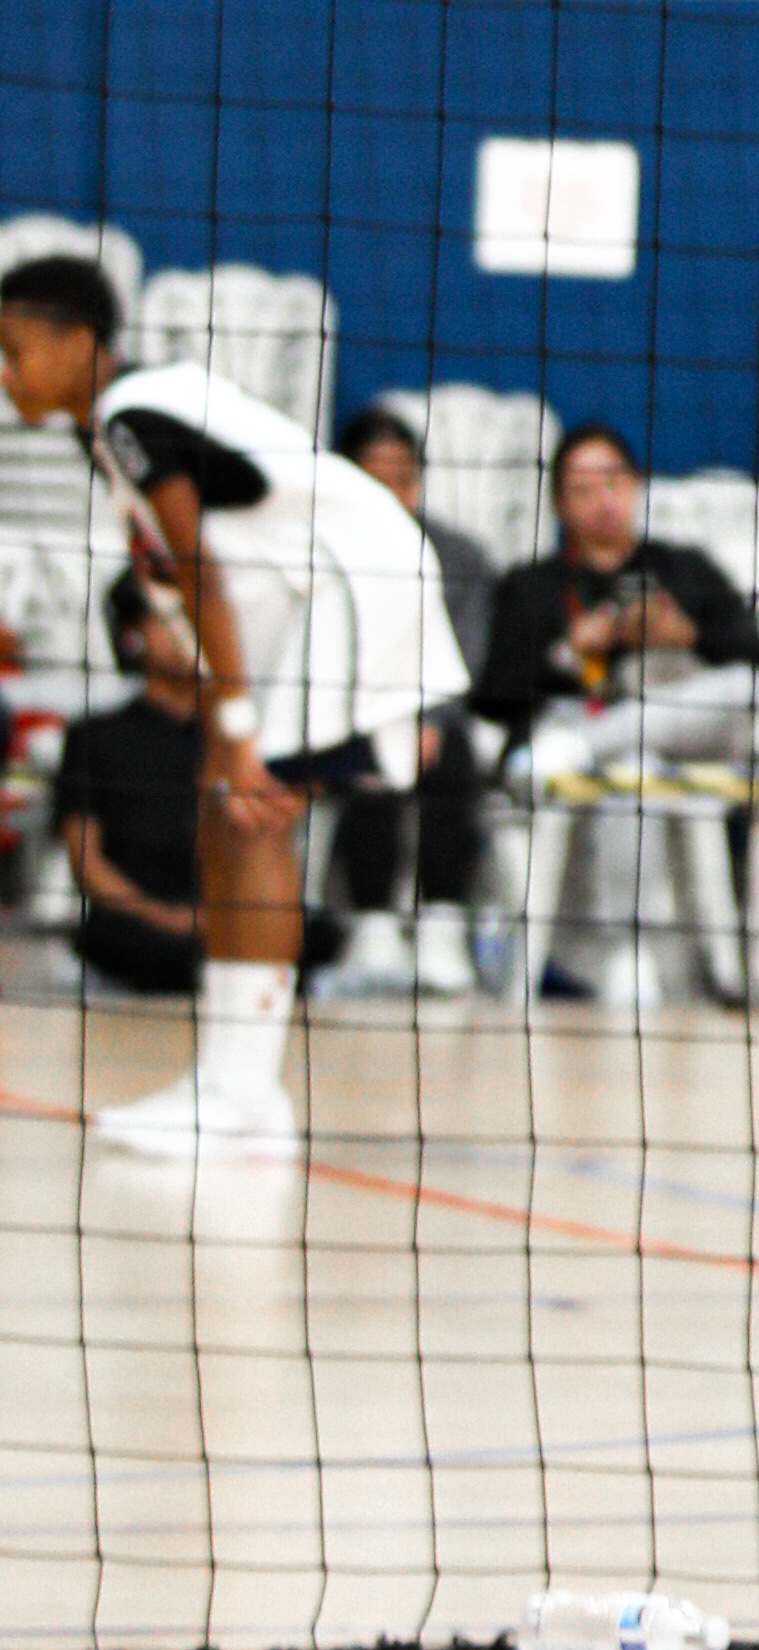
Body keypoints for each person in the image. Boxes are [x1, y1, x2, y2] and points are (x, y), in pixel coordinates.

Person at [0, 250, 461, 1167]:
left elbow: (203, 571)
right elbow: (198, 580)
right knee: (229, 817)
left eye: (13, 351)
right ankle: (227, 1083)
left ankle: (245, 1097)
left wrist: (237, 733)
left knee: (248, 819)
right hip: (311, 602)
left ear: (79, 341)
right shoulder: (124, 420)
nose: (4, 374)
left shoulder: (132, 417)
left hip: (352, 595)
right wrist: (226, 725)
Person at [478, 428, 759, 1007]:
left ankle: (594, 743)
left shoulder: (682, 569)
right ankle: (626, 949)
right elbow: (496, 695)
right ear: (560, 504)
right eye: (584, 490)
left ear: (635, 487)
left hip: (684, 737)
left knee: (745, 686)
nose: (605, 501)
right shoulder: (531, 585)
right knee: (631, 766)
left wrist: (684, 635)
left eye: (614, 483)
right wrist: (573, 652)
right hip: (589, 749)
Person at [313, 405, 492, 998]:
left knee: (454, 754)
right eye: (374, 479)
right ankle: (372, 925)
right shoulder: (318, 554)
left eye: (402, 480)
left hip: (435, 725)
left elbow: (465, 659)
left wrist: (429, 717)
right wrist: (380, 715)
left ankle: (441, 924)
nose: (390, 495)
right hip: (342, 718)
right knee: (372, 755)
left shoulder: (460, 558)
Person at [56, 574, 209, 997]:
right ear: (132, 635)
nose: (184, 634)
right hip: (133, 922)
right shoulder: (93, 736)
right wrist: (164, 917)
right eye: (167, 619)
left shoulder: (230, 742)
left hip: (223, 914)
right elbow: (85, 860)